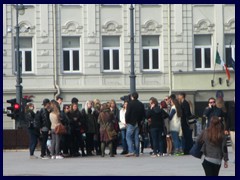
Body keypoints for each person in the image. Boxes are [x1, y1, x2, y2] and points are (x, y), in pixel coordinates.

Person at [125, 92, 145, 157]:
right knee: (136, 137)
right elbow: (143, 114)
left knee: (128, 137)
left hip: (131, 122)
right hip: (138, 122)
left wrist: (126, 121)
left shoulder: (130, 104)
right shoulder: (141, 104)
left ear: (132, 97)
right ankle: (137, 152)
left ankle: (131, 151)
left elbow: (127, 113)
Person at [225, 97, 235, 163]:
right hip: (233, 130)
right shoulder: (231, 109)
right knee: (234, 145)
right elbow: (228, 119)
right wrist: (226, 129)